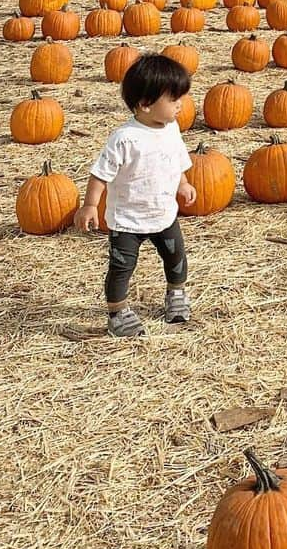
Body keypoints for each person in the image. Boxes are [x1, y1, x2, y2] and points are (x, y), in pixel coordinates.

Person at [76, 54, 197, 337]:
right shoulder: (124, 138)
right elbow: (100, 174)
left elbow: (176, 159)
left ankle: (175, 294)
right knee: (121, 267)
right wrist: (90, 205)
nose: (180, 104)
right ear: (145, 103)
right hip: (127, 220)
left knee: (176, 256)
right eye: (173, 99)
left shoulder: (171, 128)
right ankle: (117, 313)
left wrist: (183, 183)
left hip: (163, 214)